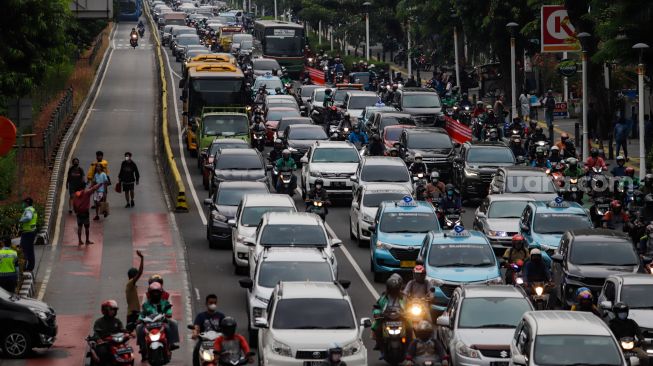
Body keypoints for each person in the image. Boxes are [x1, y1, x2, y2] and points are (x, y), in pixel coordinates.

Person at [137, 282, 179, 359]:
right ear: (150, 293)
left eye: (157, 292)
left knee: (173, 323)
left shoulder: (165, 302)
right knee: (139, 328)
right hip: (148, 324)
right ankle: (143, 347)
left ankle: (171, 344)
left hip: (162, 322)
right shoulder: (146, 305)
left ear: (161, 293)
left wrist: (168, 314)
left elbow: (169, 310)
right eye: (153, 292)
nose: (155, 294)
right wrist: (139, 319)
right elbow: (142, 314)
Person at [372, 274, 406, 351]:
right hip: (386, 317)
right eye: (391, 289)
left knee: (410, 328)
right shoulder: (384, 297)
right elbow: (377, 306)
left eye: (395, 289)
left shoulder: (404, 297)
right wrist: (377, 313)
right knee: (377, 329)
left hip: (401, 317)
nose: (393, 291)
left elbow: (410, 306)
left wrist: (409, 312)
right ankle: (379, 344)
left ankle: (411, 347)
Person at [192, 294, 225, 366]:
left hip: (218, 341)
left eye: (215, 303)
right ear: (206, 304)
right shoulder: (200, 316)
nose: (213, 304)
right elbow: (196, 327)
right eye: (211, 303)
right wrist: (195, 333)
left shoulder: (221, 316)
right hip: (204, 341)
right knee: (196, 350)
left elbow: (225, 328)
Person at [91, 300, 126, 364]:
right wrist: (99, 339)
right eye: (111, 309)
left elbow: (122, 330)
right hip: (104, 343)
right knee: (103, 352)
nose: (113, 311)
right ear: (105, 310)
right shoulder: (99, 322)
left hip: (116, 342)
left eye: (114, 310)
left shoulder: (117, 321)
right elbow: (96, 333)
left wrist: (128, 333)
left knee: (126, 350)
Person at [18, 197, 38, 272]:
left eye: (24, 203)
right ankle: (29, 266)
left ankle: (28, 267)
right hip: (30, 232)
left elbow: (28, 218)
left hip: (28, 233)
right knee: (29, 250)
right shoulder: (33, 209)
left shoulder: (28, 210)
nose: (23, 204)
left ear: (26, 203)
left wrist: (21, 220)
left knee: (25, 250)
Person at [126, 250, 144, 326]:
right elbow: (140, 272)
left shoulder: (131, 285)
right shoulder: (130, 283)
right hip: (132, 314)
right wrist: (142, 258)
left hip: (135, 313)